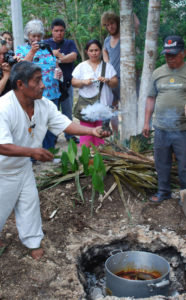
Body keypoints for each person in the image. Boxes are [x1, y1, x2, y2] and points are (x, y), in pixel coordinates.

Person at [0, 61, 110, 259]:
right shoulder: (4, 108)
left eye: (42, 79)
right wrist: (32, 152)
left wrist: (91, 130)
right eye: (37, 81)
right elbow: (2, 146)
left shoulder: (44, 105)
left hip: (23, 167)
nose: (43, 85)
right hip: (3, 171)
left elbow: (65, 125)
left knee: (30, 203)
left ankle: (33, 242)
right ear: (20, 85)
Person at [142, 35, 186, 203]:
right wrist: (146, 122)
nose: (169, 58)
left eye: (173, 54)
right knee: (162, 162)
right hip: (160, 127)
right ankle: (164, 192)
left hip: (183, 128)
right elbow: (151, 98)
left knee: (184, 164)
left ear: (183, 53)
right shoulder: (158, 73)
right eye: (167, 54)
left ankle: (185, 194)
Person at [16, 19, 60, 150]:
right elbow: (20, 68)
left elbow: (54, 65)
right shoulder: (22, 49)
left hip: (52, 92)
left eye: (38, 36)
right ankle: (31, 154)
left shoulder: (48, 49)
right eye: (33, 36)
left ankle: (49, 151)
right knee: (31, 124)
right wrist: (32, 52)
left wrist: (58, 70)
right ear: (28, 36)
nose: (36, 38)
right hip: (32, 94)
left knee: (50, 123)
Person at [71, 39, 118, 147]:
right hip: (87, 108)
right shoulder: (81, 66)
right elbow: (73, 82)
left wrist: (107, 80)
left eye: (96, 50)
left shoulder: (107, 67)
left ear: (100, 51)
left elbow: (115, 82)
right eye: (91, 50)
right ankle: (86, 159)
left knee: (101, 137)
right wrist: (83, 82)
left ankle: (98, 160)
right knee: (86, 136)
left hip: (104, 108)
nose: (94, 53)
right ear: (87, 52)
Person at [101, 10, 140, 134]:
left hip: (128, 80)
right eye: (107, 25)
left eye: (112, 23)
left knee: (130, 108)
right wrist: (107, 70)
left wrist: (129, 10)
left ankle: (132, 134)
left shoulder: (126, 36)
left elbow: (137, 25)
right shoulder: (107, 41)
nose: (110, 27)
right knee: (113, 108)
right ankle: (117, 136)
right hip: (113, 80)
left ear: (117, 22)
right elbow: (105, 54)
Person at [45, 18, 79, 144]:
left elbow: (73, 57)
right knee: (51, 113)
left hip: (66, 84)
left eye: (61, 30)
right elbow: (40, 57)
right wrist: (62, 57)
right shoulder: (45, 43)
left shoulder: (69, 43)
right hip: (50, 85)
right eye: (56, 30)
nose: (59, 33)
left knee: (67, 112)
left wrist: (57, 56)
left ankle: (70, 136)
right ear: (52, 31)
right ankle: (52, 138)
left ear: (64, 31)